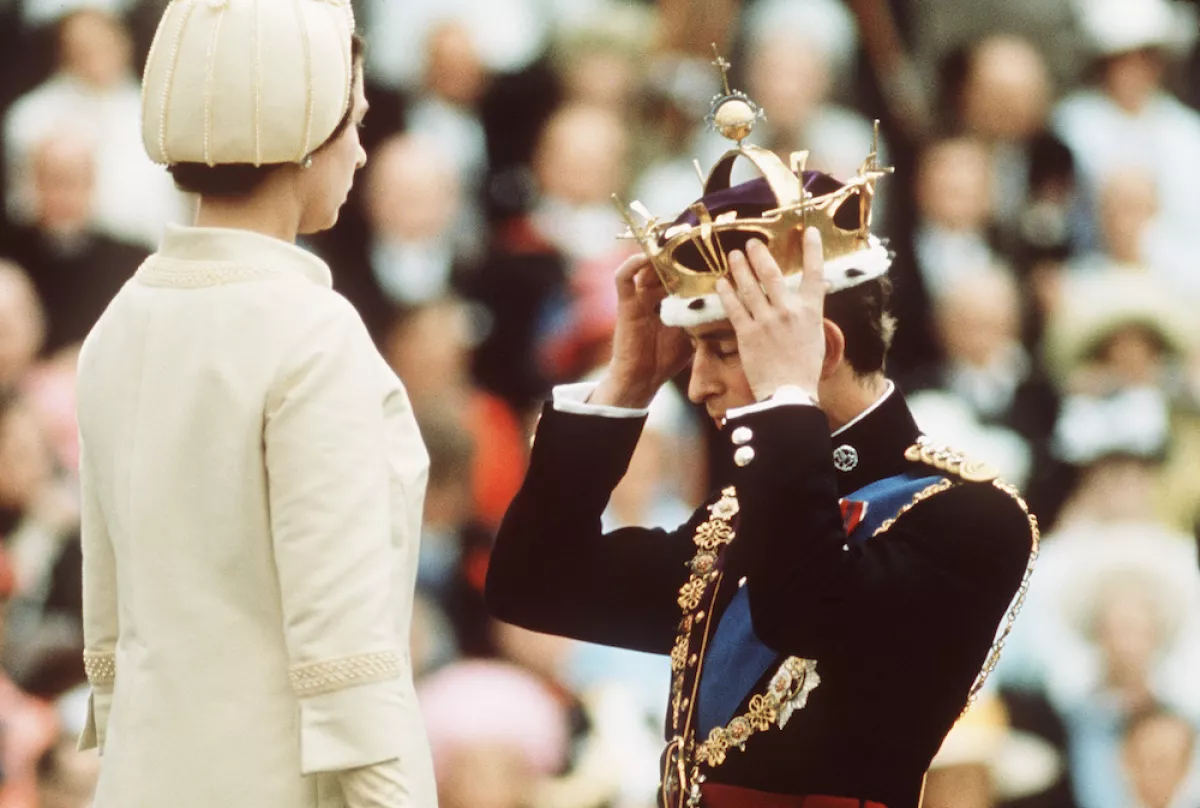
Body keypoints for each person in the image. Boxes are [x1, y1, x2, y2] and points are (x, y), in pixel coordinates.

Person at [486, 65, 1037, 808]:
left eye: (724, 349)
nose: (696, 386)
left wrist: (785, 400)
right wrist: (625, 385)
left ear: (823, 349)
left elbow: (802, 607)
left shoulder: (970, 517)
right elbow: (534, 585)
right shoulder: (735, 523)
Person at [74, 2, 436, 807]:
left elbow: (109, 644)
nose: (360, 150)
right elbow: (346, 657)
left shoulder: (117, 324)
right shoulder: (312, 334)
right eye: (354, 123)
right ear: (304, 136)